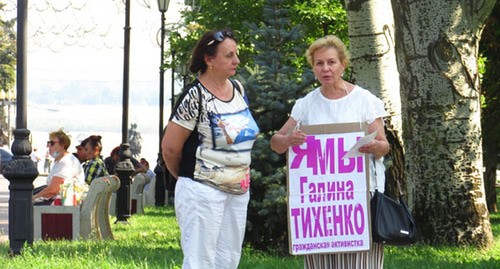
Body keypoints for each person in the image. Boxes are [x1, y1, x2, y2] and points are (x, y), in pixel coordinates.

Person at [270, 35, 390, 269]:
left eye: (331, 62)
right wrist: (289, 140)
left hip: (360, 199)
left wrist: (373, 146)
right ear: (313, 68)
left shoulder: (365, 100)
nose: (325, 68)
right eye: (319, 63)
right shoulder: (306, 104)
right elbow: (276, 142)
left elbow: (383, 146)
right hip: (319, 203)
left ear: (343, 64)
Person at [161, 28, 260, 269]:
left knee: (228, 260)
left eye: (236, 54)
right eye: (229, 55)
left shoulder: (238, 89)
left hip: (237, 193)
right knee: (200, 261)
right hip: (202, 193)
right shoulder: (195, 96)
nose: (236, 60)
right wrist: (191, 180)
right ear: (209, 60)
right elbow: (170, 148)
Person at [32, 129, 85, 205]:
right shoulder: (60, 161)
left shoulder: (66, 162)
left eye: (52, 143)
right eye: (48, 143)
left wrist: (33, 198)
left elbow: (53, 189)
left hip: (63, 204)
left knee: (26, 205)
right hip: (59, 201)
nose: (48, 146)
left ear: (62, 145)